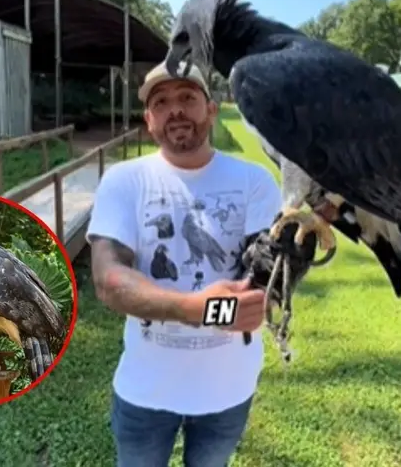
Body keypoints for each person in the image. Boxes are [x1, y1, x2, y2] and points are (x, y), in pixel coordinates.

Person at [86, 61, 287, 467]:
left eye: (187, 98)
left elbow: (265, 285)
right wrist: (198, 309)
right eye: (161, 102)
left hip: (227, 393)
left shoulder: (256, 182)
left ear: (211, 109)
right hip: (145, 391)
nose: (174, 109)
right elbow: (108, 279)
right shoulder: (124, 180)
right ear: (149, 120)